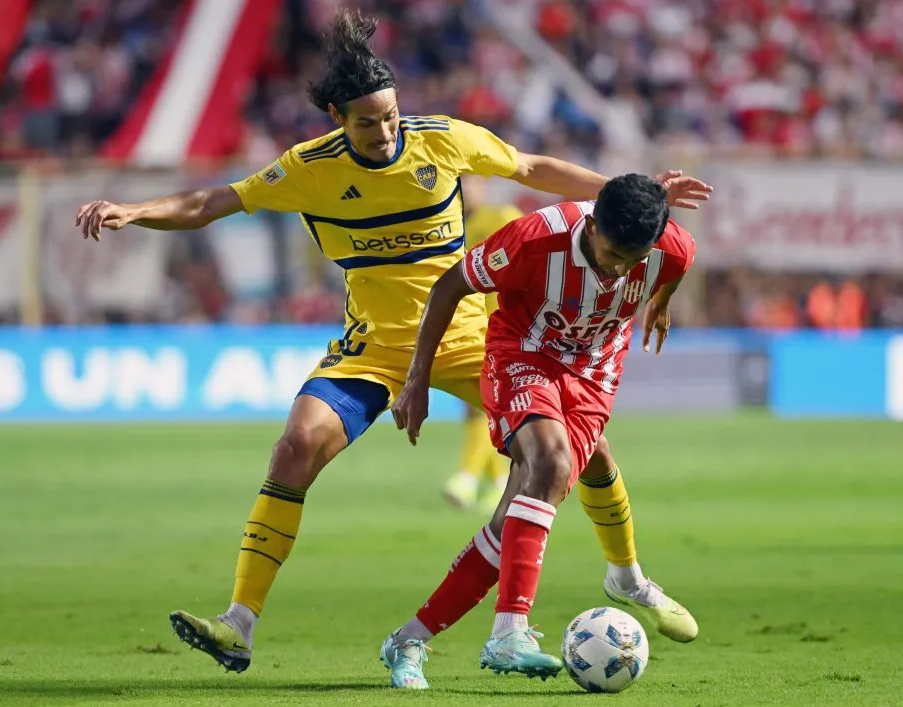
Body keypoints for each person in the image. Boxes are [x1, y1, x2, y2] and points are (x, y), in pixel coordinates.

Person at [73, 10, 710, 675]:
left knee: (584, 455)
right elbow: (213, 202)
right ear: (335, 119)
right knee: (294, 448)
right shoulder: (307, 170)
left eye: (391, 116)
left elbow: (531, 165)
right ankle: (239, 623)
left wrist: (630, 195)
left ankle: (626, 575)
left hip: (468, 336)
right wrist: (134, 211)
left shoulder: (441, 141)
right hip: (373, 347)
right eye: (367, 122)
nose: (385, 132)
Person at [385, 175, 698, 688]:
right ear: (592, 224)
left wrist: (660, 302)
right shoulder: (532, 239)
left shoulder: (669, 248)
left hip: (594, 372)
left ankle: (409, 638)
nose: (618, 268)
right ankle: (510, 631)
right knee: (550, 465)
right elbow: (450, 285)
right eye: (611, 253)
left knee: (515, 516)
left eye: (631, 260)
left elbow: (680, 262)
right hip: (522, 354)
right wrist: (419, 379)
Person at [445, 176, 522, 515]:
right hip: (470, 327)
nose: (465, 190)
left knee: (486, 405)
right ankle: (496, 485)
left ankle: (467, 477)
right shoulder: (450, 229)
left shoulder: (502, 218)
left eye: (470, 183)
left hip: (504, 328)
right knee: (483, 406)